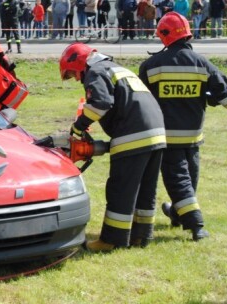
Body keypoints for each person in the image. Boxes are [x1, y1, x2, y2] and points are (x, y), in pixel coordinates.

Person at [139, 12, 227, 241]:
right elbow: (226, 94)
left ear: (163, 35)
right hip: (193, 137)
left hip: (167, 137)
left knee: (180, 181)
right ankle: (187, 219)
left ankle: (189, 220)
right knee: (188, 179)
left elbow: (142, 103)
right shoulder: (202, 64)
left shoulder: (151, 66)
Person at [59, 43, 166, 251]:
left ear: (80, 63)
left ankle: (111, 240)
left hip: (132, 134)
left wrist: (79, 127)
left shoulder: (96, 71)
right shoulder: (119, 69)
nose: (76, 78)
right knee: (146, 188)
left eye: (73, 73)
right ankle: (141, 236)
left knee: (121, 189)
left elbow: (100, 103)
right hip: (157, 133)